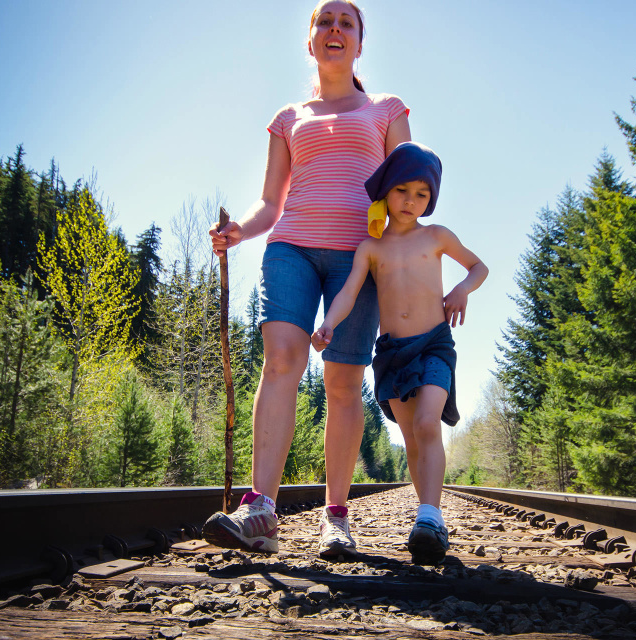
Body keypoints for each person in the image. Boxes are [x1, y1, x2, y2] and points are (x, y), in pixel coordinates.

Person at [202, 0, 411, 557]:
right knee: (282, 361)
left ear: (360, 44)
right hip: (290, 247)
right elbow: (271, 203)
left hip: (358, 260)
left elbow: (405, 193)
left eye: (347, 23)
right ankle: (260, 512)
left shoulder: (386, 111)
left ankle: (336, 518)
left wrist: (406, 260)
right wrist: (239, 232)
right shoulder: (288, 117)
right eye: (325, 22)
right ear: (310, 41)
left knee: (343, 383)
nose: (335, 29)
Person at [312, 142, 488, 564]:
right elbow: (350, 291)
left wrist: (462, 289)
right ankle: (425, 519)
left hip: (434, 345)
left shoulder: (437, 236)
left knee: (429, 422)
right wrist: (329, 324)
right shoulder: (371, 248)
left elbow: (478, 267)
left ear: (431, 199)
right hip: (392, 353)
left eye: (422, 194)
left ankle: (431, 516)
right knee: (412, 436)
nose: (411, 201)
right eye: (402, 191)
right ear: (386, 191)